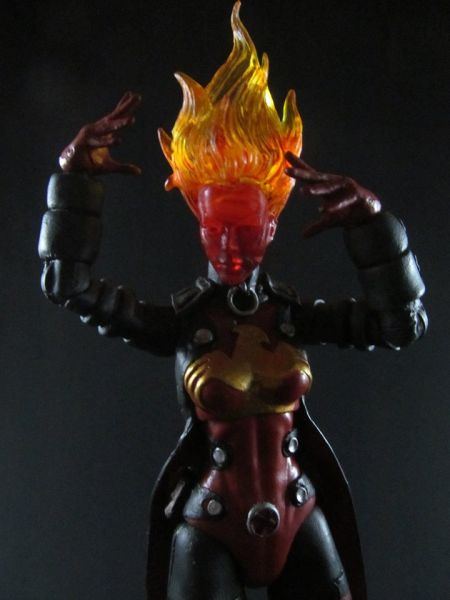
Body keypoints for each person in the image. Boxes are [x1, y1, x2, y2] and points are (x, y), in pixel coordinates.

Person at [38, 4, 427, 599]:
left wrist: (374, 227)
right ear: (199, 226)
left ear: (270, 229)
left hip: (299, 514)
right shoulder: (185, 320)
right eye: (216, 230)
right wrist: (73, 181)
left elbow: (401, 325)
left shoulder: (290, 317)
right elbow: (69, 286)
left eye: (245, 232)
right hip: (211, 524)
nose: (229, 246)